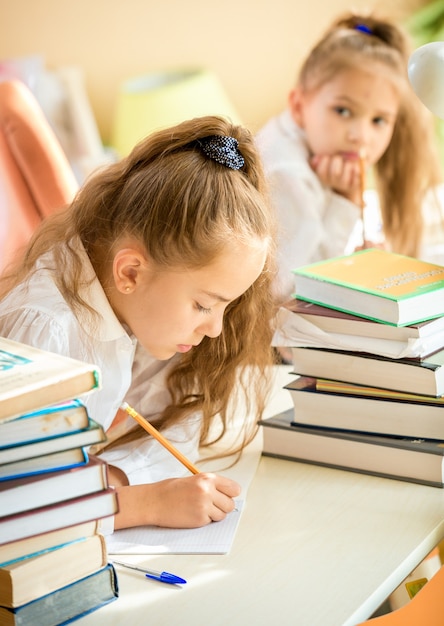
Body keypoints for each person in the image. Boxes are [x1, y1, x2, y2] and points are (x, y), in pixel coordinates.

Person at [0, 115, 278, 531]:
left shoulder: (136, 309)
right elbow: (13, 508)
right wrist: (143, 504)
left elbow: (183, 415)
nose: (216, 329)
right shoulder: (46, 332)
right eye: (204, 304)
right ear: (130, 272)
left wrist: (110, 480)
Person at [256, 12, 442, 302]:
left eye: (379, 120)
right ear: (298, 105)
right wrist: (343, 202)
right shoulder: (284, 172)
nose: (360, 136)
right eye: (343, 111)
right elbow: (288, 290)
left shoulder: (311, 145)